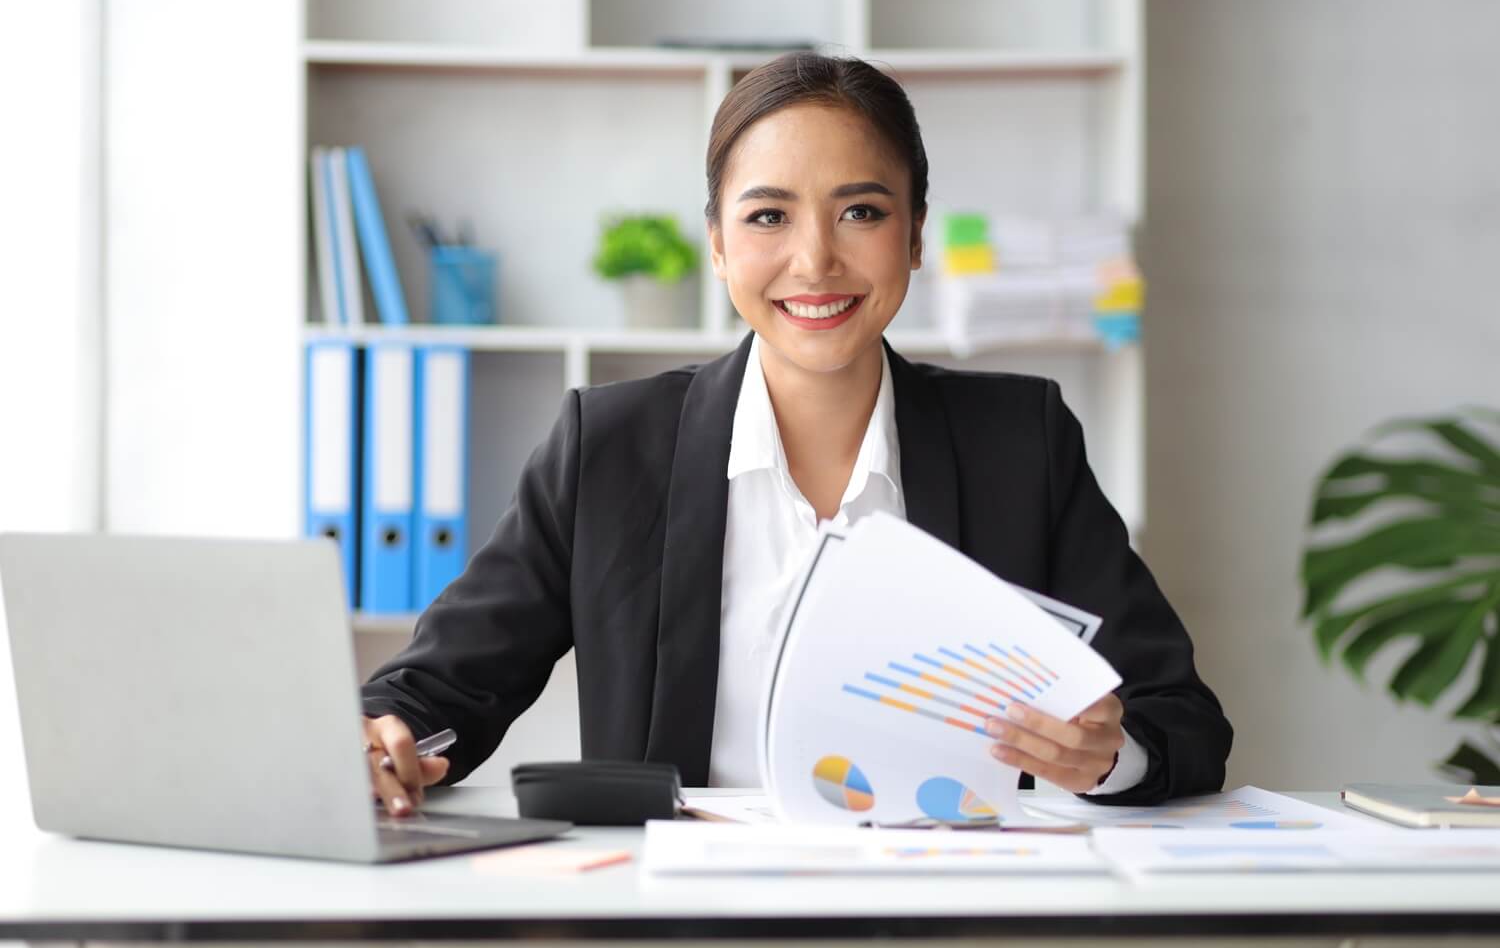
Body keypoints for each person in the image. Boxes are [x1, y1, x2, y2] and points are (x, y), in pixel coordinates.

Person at [360, 52, 1232, 816]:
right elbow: (441, 689)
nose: (815, 261)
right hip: (683, 921)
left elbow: (1181, 718)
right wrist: (381, 741)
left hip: (935, 919)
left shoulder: (1020, 440)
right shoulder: (609, 448)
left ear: (917, 233)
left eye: (861, 212)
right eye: (768, 216)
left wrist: (1110, 758)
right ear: (716, 243)